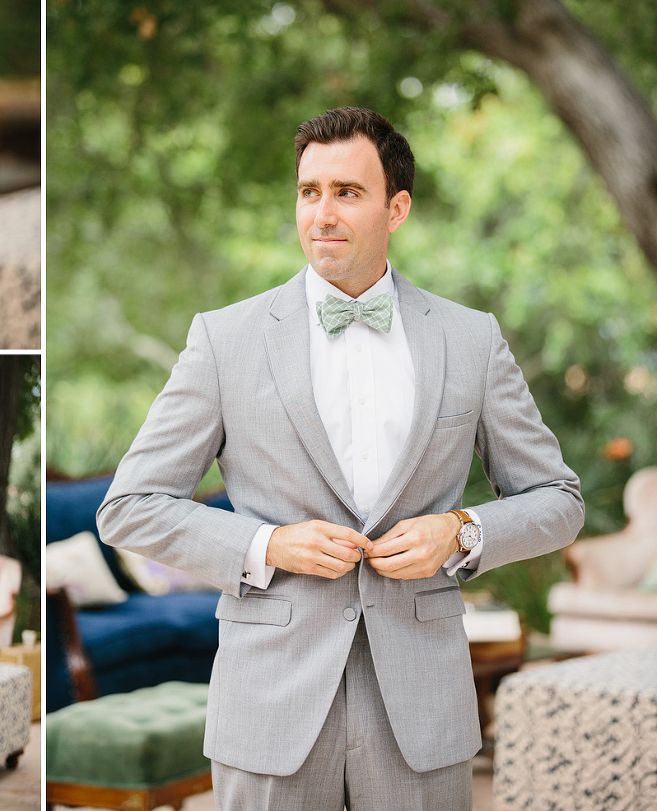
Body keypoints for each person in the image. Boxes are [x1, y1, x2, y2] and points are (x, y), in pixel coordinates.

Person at [96, 107, 584, 811]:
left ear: (397, 208)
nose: (321, 213)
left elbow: (557, 499)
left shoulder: (469, 340)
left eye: (346, 193)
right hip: (270, 705)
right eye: (308, 191)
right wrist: (267, 544)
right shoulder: (223, 341)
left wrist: (460, 531)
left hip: (421, 710)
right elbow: (130, 507)